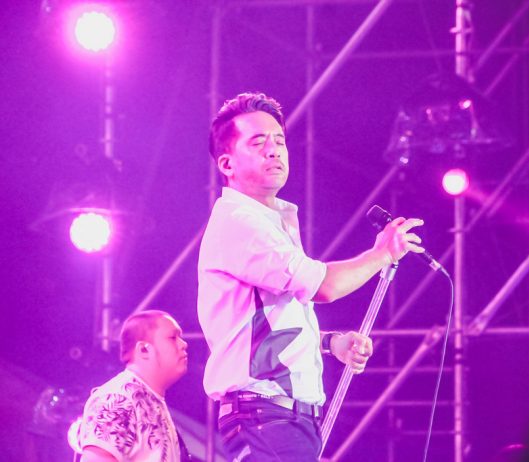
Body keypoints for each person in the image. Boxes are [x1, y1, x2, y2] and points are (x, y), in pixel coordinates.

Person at [197, 92, 425, 461]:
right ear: (227, 163)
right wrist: (381, 254)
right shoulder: (240, 221)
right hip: (266, 416)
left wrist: (332, 342)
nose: (274, 150)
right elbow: (325, 286)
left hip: (280, 418)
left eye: (279, 140)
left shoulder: (267, 222)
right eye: (258, 142)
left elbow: (268, 327)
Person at [77, 310, 191, 462]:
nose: (184, 344)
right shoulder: (117, 398)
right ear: (144, 350)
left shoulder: (151, 400)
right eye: (172, 337)